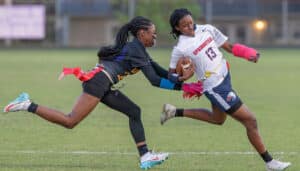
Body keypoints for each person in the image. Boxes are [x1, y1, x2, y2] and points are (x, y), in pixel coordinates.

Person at [3, 16, 196, 170]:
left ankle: (145, 157)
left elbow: (161, 72)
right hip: (98, 82)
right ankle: (27, 104)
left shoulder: (139, 50)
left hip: (103, 83)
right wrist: (182, 85)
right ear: (141, 33)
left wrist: (182, 83)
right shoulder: (136, 49)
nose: (155, 37)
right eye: (152, 34)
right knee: (70, 121)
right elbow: (154, 80)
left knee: (134, 112)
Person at [160, 8, 291, 171]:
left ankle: (172, 112)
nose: (190, 26)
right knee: (250, 120)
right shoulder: (180, 48)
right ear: (177, 28)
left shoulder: (207, 28)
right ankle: (270, 163)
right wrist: (182, 78)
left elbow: (228, 47)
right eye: (184, 25)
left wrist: (247, 53)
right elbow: (170, 75)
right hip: (215, 88)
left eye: (191, 22)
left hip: (226, 77)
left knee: (218, 119)